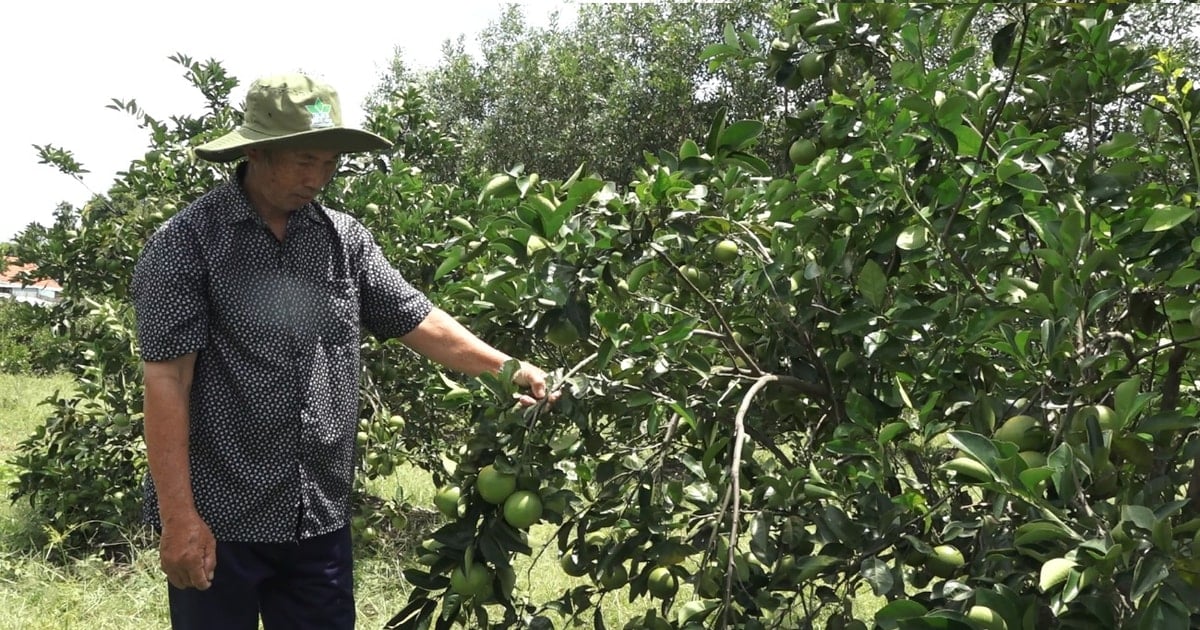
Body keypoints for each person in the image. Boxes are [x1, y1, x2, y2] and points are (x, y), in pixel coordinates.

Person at [131, 73, 552, 630]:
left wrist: (507, 368)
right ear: (257, 151)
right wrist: (179, 516)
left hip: (317, 513)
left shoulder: (342, 239)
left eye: (330, 163)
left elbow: (418, 318)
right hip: (219, 515)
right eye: (305, 160)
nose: (319, 178)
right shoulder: (188, 243)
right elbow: (167, 382)